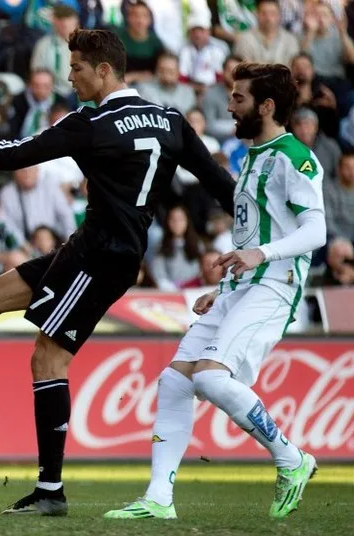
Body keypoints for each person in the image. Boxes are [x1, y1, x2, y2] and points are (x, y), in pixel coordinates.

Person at [0, 27, 236, 515]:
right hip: (101, 249)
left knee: (47, 360)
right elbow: (218, 183)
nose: (70, 76)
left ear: (103, 70)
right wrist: (256, 241)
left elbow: (19, 153)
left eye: (76, 67)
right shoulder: (170, 119)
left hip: (100, 255)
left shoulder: (94, 122)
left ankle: (50, 491)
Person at [105, 62, 325, 520]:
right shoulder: (253, 157)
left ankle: (292, 458)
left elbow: (315, 231)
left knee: (209, 376)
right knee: (174, 380)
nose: (229, 106)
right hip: (241, 286)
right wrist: (223, 285)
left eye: (239, 98)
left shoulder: (294, 157)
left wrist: (260, 256)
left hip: (275, 286)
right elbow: (254, 234)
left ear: (266, 106)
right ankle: (158, 500)